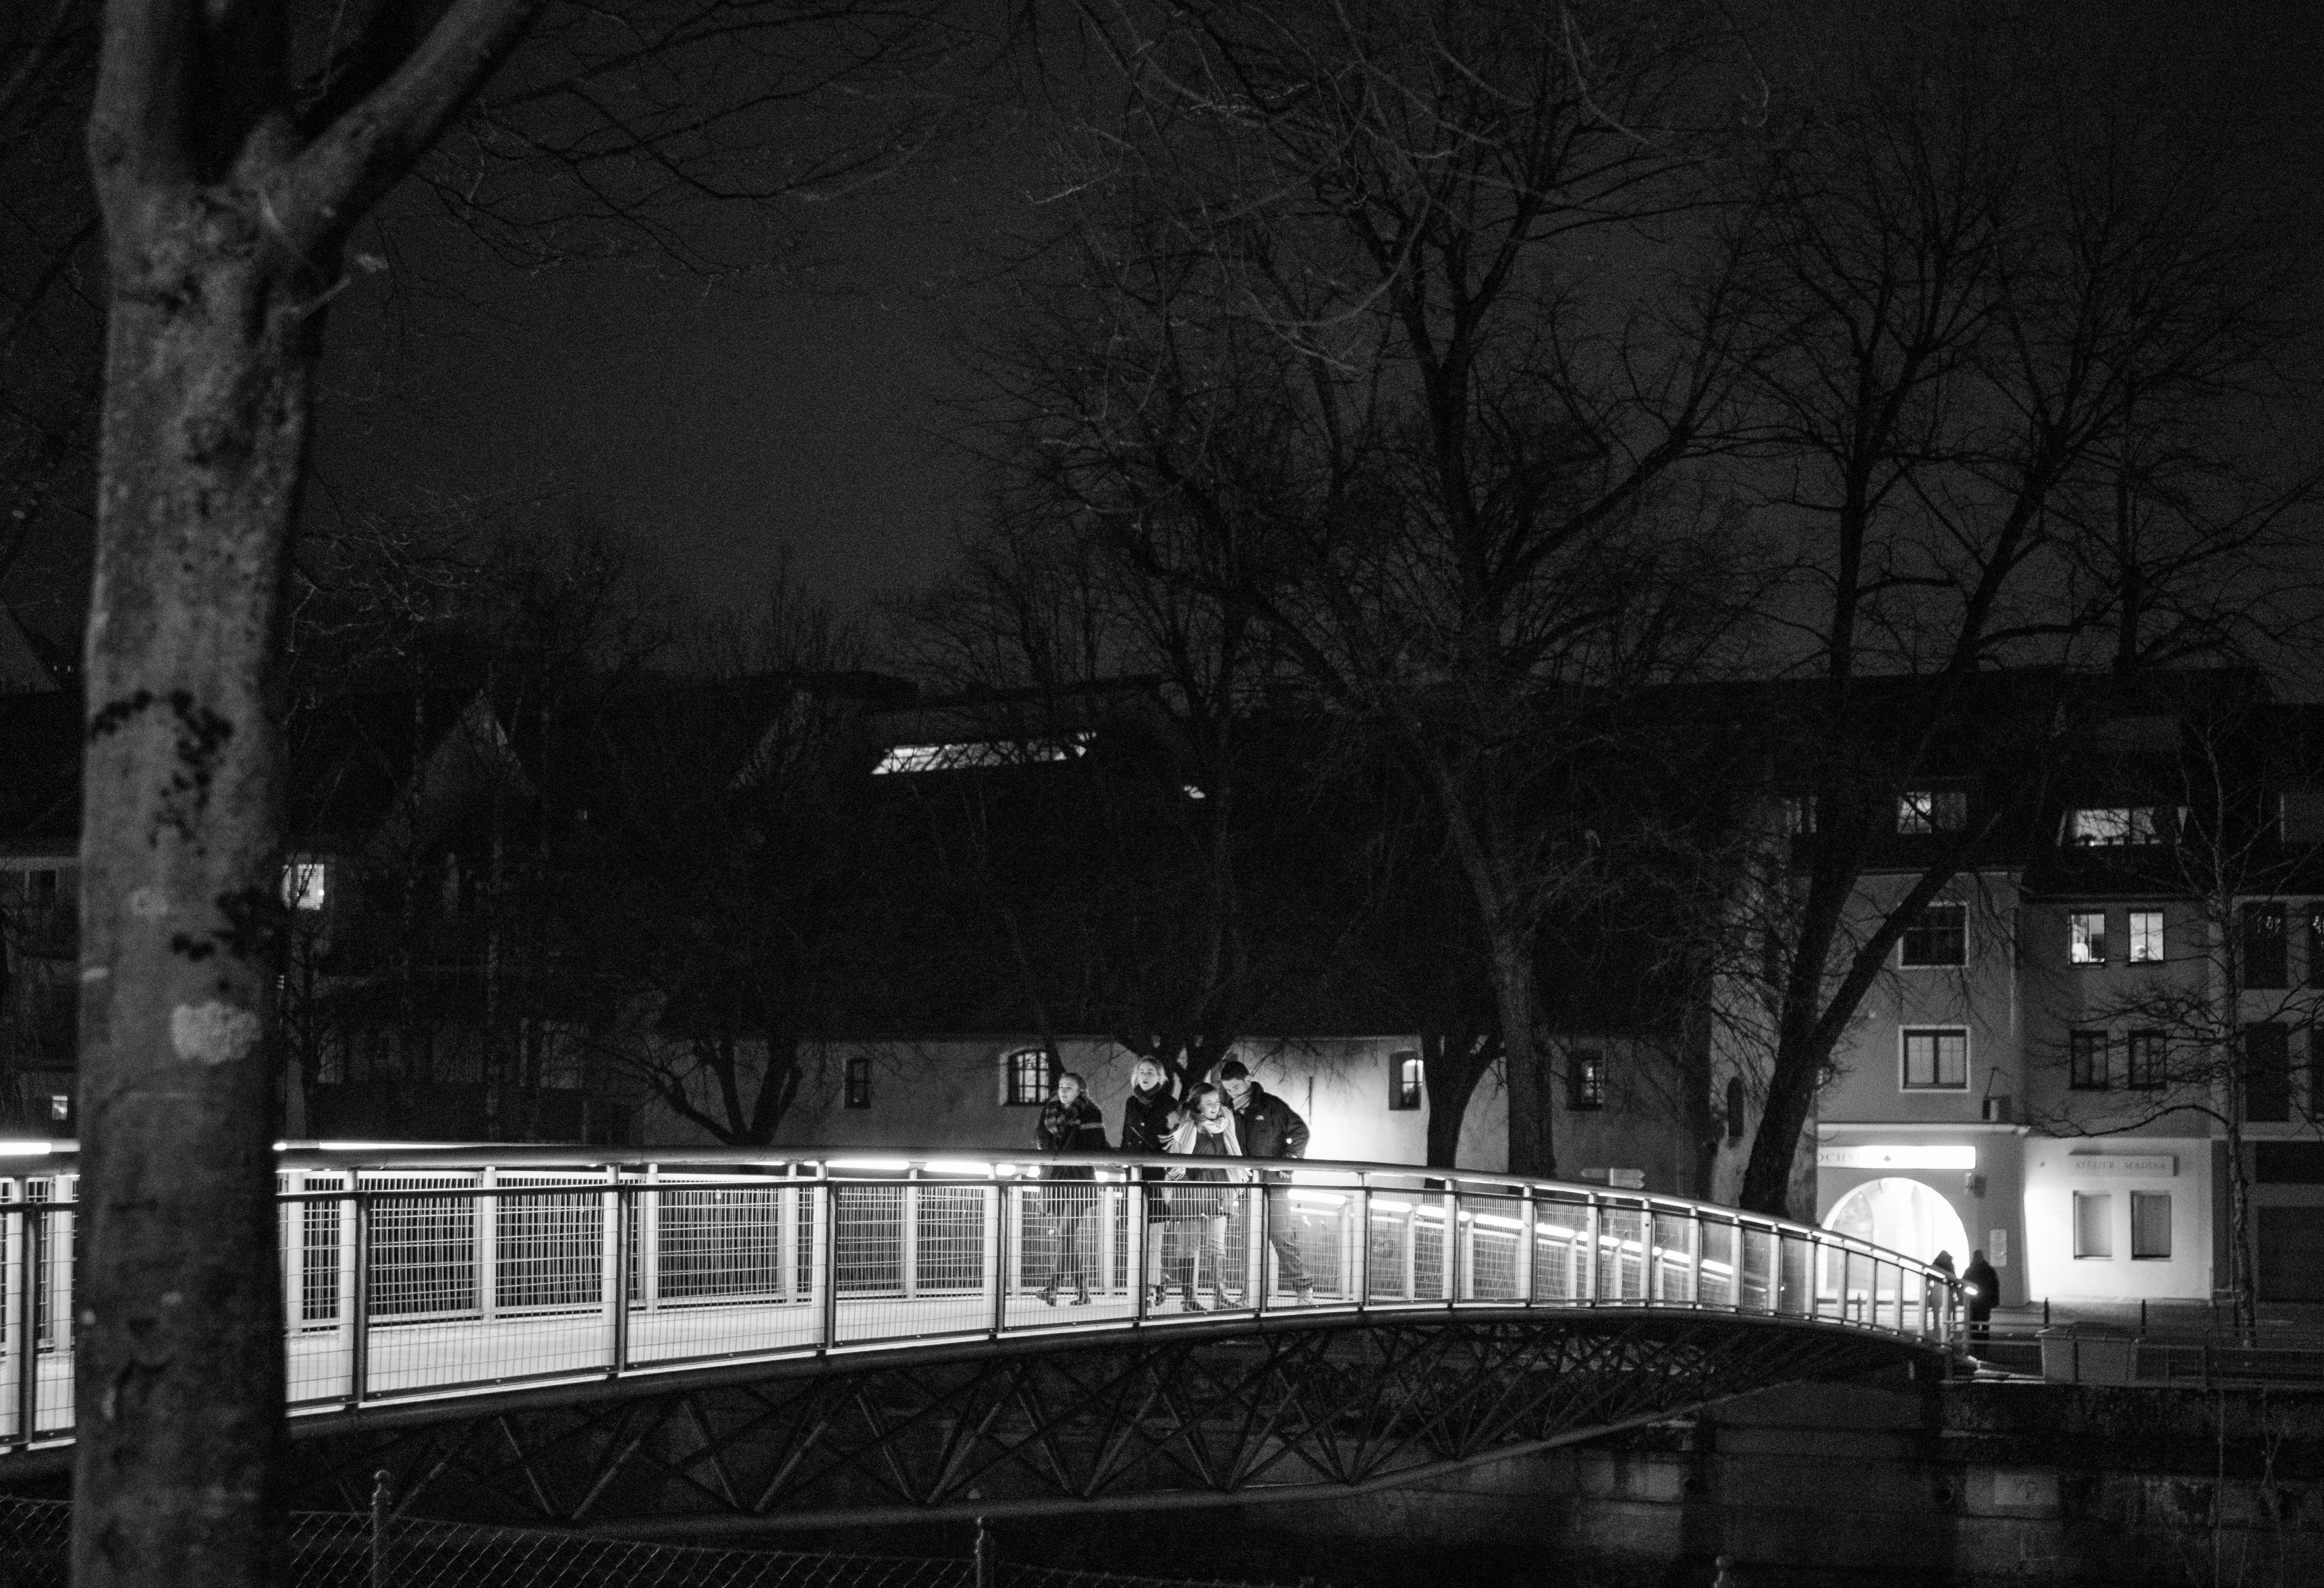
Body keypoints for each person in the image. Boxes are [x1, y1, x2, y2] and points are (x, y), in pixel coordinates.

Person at [1217, 1058, 1315, 1305]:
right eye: (1228, 1089)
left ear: (1248, 1080)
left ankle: (1304, 1290)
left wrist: (1289, 1160)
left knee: (1281, 1236)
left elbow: (1301, 1131)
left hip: (1274, 1184)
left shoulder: (1272, 1106)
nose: (1232, 1093)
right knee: (1249, 1240)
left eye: (1236, 1087)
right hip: (1246, 1185)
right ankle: (1250, 1295)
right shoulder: (1227, 1111)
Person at [1163, 1083, 1248, 1310]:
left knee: (1217, 1245)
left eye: (1217, 1102)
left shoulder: (1225, 1123)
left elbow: (1231, 1153)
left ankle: (1220, 1296)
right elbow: (1177, 1159)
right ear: (1197, 1106)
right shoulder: (1188, 1125)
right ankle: (1189, 1299)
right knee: (1189, 1245)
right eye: (1209, 1103)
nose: (1215, 1107)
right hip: (1190, 1190)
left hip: (1219, 1188)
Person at [1034, 1070, 1110, 1305]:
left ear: (1080, 1091)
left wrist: (1116, 1156)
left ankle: (1053, 1287)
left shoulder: (1090, 1111)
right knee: (1065, 1236)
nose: (1063, 1091)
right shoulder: (1049, 1111)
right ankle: (1081, 1291)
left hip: (1079, 1179)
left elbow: (1096, 1143)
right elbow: (1041, 1140)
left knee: (1065, 1233)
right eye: (1061, 1086)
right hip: (1055, 1178)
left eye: (1069, 1087)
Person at [1120, 1058, 1180, 1306]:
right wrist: (1123, 1160)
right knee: (1136, 1233)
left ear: (1161, 1078)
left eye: (1151, 1072)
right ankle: (1150, 1282)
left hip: (1157, 1174)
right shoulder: (1131, 1102)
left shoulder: (1169, 1104)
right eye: (1142, 1072)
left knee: (1154, 1234)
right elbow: (1127, 1134)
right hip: (1135, 1172)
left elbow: (1173, 1138)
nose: (1145, 1076)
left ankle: (1151, 1287)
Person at [1960, 1249, 1999, 1345]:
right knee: (1985, 1322)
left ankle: (1976, 1343)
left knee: (1974, 1322)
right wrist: (1995, 1301)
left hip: (1973, 1301)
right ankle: (1984, 1343)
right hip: (1986, 1301)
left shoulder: (1970, 1270)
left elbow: (1963, 1283)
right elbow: (1995, 1286)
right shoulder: (1990, 1270)